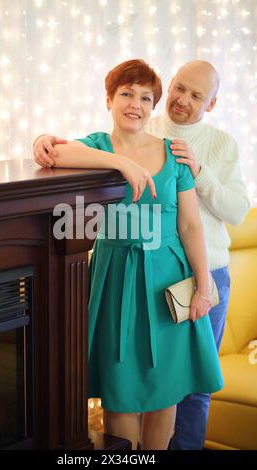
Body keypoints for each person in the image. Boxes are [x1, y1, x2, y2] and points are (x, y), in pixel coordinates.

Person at [33, 59, 224, 450]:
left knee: (166, 390)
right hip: (116, 274)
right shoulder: (96, 147)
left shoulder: (174, 153)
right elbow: (53, 155)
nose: (135, 103)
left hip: (169, 277)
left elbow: (189, 225)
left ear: (153, 105)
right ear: (109, 99)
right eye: (126, 94)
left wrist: (204, 282)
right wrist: (119, 161)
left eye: (145, 97)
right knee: (118, 391)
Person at [144, 60, 250, 450]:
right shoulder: (145, 130)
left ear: (212, 103)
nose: (182, 100)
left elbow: (237, 211)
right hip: (156, 273)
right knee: (152, 375)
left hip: (210, 276)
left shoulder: (221, 144)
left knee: (196, 383)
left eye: (196, 95)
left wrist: (200, 171)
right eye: (178, 88)